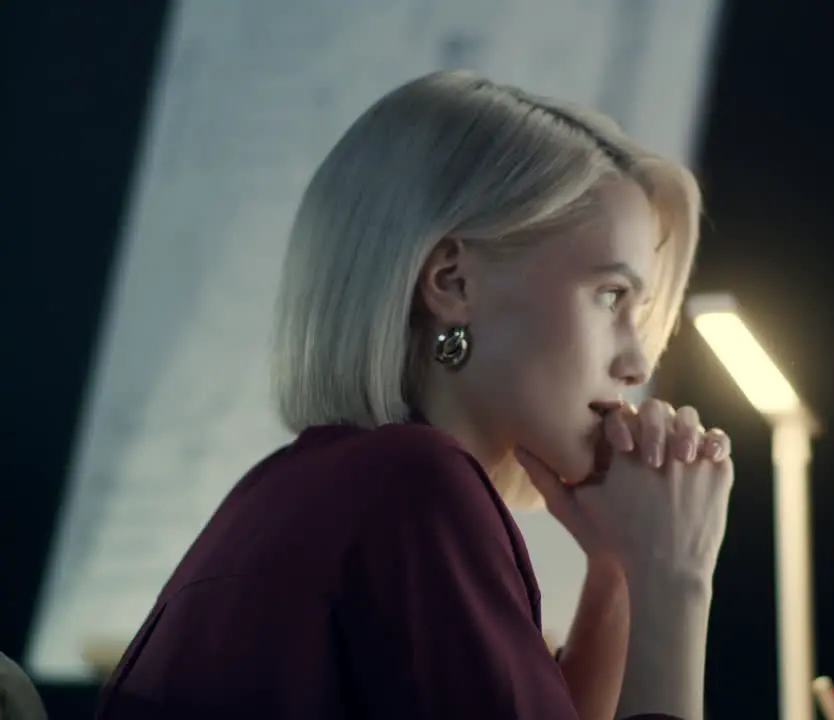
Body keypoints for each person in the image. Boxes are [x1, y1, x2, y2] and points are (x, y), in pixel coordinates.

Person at [95, 70, 734, 720]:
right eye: (609, 296)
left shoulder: (299, 485)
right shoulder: (414, 487)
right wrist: (676, 582)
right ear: (451, 281)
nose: (635, 361)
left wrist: (619, 571)